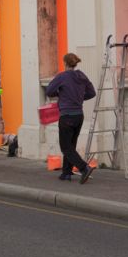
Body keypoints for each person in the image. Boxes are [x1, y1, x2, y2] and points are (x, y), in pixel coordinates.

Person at [45, 53, 97, 183]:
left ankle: (84, 167)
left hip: (66, 115)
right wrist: (79, 98)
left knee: (65, 146)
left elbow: (49, 91)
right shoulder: (81, 76)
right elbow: (92, 93)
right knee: (71, 145)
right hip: (79, 115)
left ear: (65, 63)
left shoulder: (62, 77)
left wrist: (60, 95)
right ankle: (66, 173)